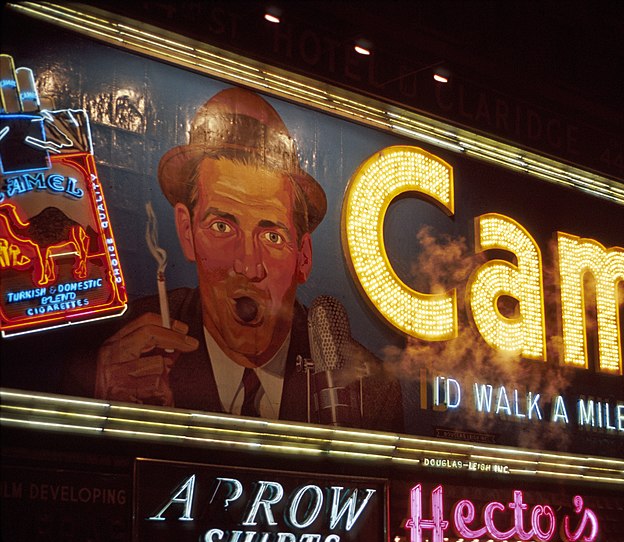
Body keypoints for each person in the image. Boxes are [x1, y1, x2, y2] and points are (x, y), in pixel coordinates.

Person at [88, 87, 402, 430]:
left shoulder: (368, 390)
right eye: (222, 226)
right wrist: (106, 414)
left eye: (272, 237)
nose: (249, 266)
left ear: (304, 258)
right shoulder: (120, 350)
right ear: (186, 231)